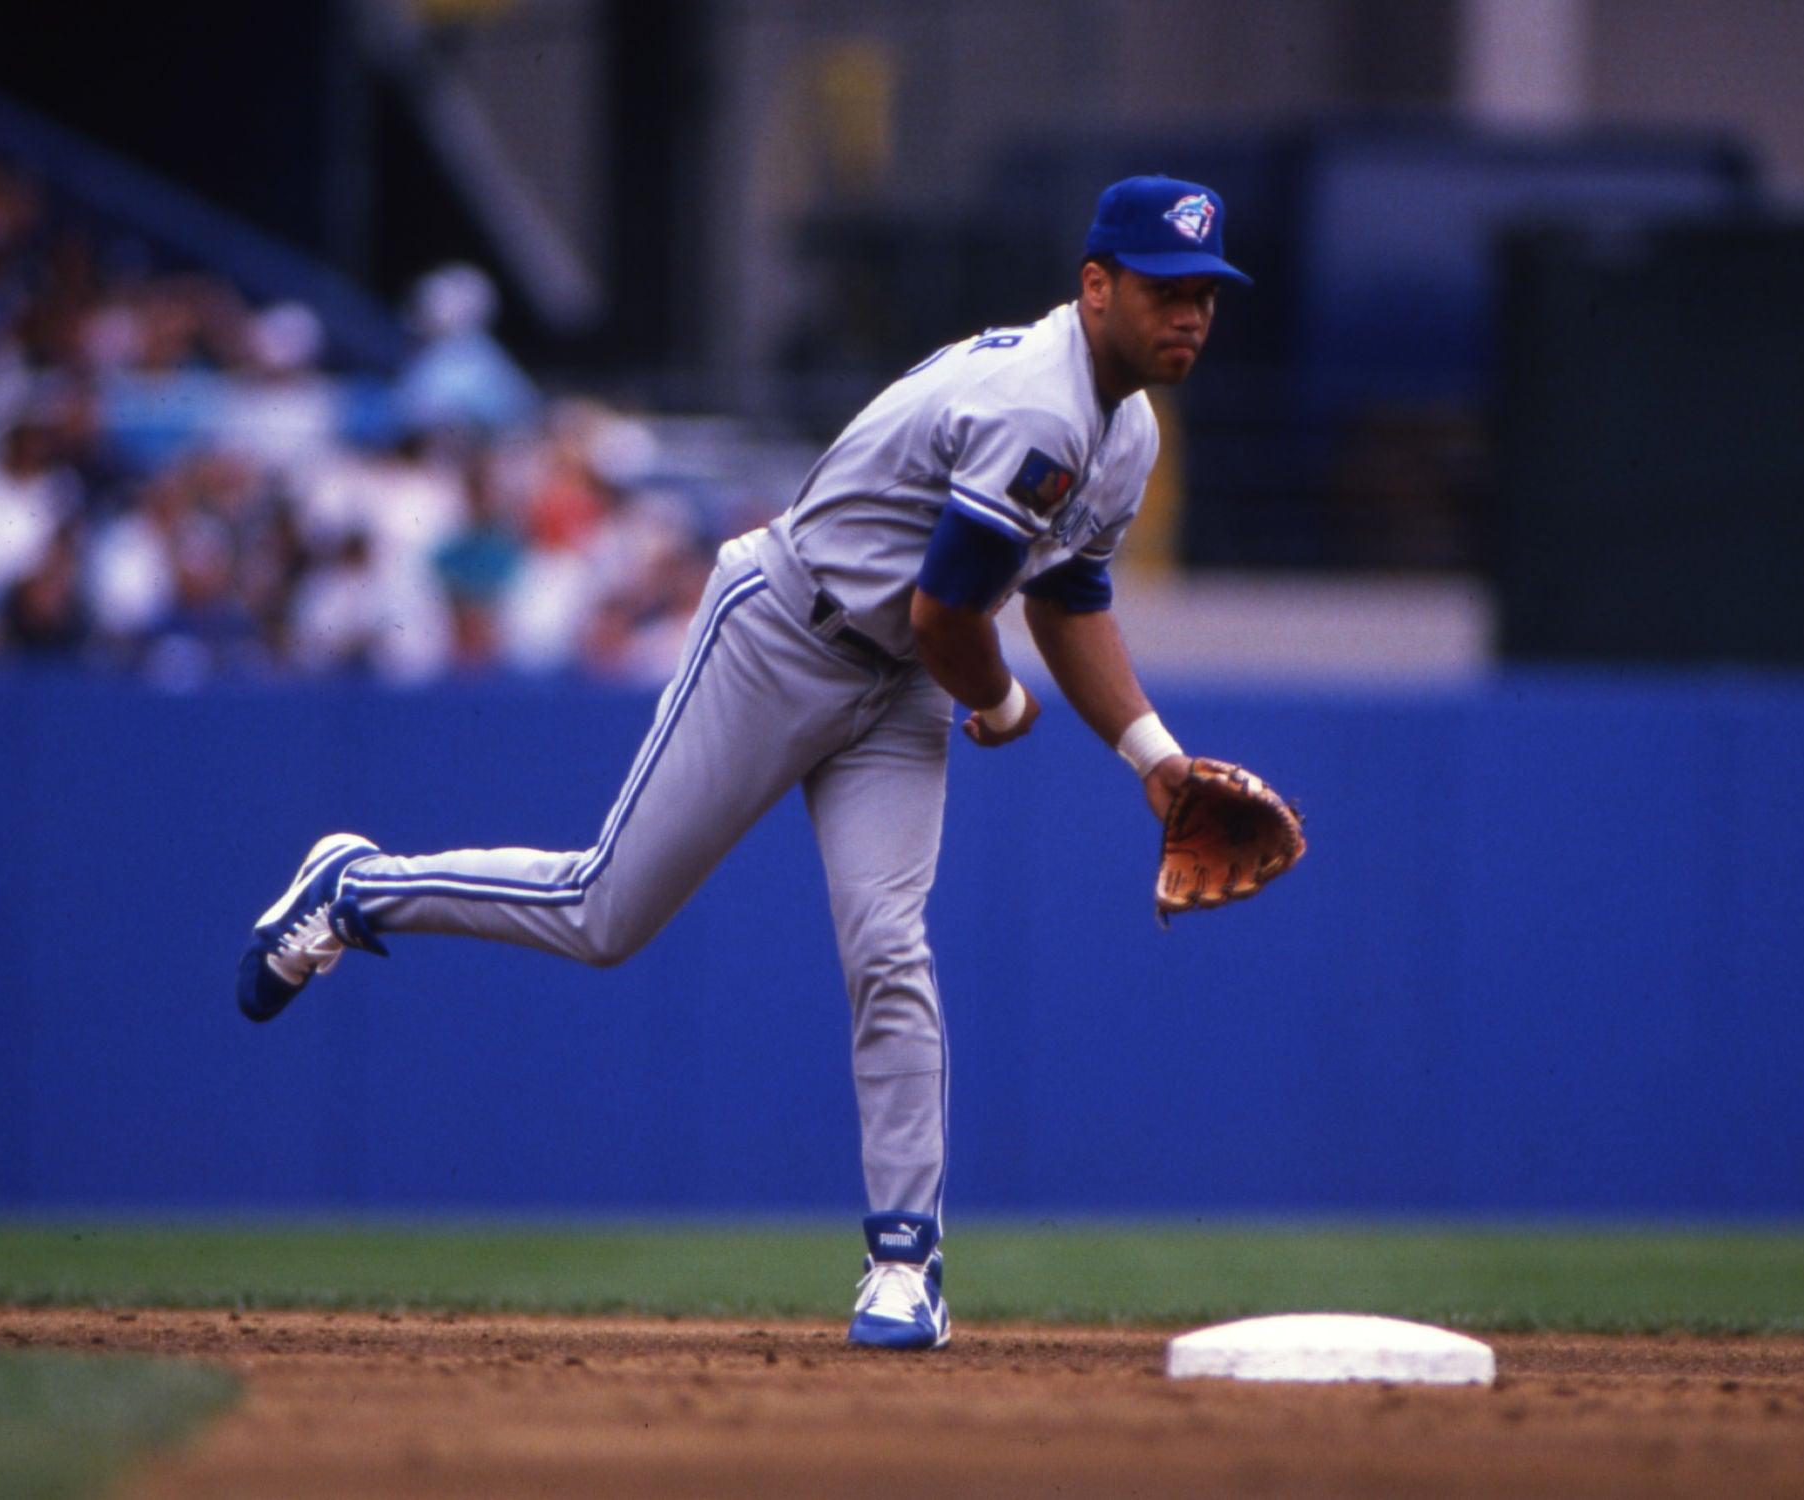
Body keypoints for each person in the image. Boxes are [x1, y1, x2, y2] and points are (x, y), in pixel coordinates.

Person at [236, 176, 1250, 1351]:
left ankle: (903, 1262)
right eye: (1166, 290)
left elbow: (1068, 596)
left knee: (890, 945)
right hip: (786, 632)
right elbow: (948, 620)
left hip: (900, 679)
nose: (1191, 315)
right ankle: (357, 889)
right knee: (603, 911)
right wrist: (1009, 704)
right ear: (1097, 286)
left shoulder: (1125, 434)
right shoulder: (1040, 403)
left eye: (1207, 296)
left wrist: (1154, 760)